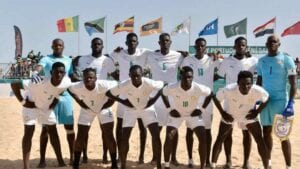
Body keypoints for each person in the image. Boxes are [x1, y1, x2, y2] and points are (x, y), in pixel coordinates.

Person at [11, 62, 72, 168]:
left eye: (61, 72)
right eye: (56, 72)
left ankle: (61, 161)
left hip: (46, 108)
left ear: (64, 73)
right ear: (51, 72)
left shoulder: (66, 82)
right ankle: (26, 166)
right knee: (29, 133)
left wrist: (54, 102)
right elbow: (14, 83)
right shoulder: (38, 81)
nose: (59, 74)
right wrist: (23, 102)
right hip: (31, 107)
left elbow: (60, 91)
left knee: (53, 132)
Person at [106, 65, 163, 169]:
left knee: (156, 135)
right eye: (133, 76)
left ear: (142, 75)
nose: (135, 78)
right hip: (131, 109)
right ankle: (123, 165)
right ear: (129, 75)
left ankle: (159, 165)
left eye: (138, 76)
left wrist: (153, 100)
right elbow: (108, 93)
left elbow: (162, 86)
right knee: (125, 137)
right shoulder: (125, 84)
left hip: (147, 108)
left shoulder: (148, 82)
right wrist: (123, 101)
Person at [211, 71, 269, 169]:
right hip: (230, 115)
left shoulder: (258, 90)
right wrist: (222, 113)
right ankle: (213, 165)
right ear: (238, 83)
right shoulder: (229, 89)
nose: (246, 86)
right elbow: (215, 98)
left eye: (248, 84)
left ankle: (266, 166)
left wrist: (257, 112)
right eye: (243, 84)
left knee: (259, 140)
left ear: (252, 83)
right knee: (220, 138)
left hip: (248, 116)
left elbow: (266, 99)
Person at [32, 38, 75, 167]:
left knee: (70, 128)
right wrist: (35, 72)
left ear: (63, 46)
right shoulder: (46, 59)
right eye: (55, 45)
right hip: (49, 96)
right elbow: (39, 67)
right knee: (46, 129)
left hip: (65, 95)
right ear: (52, 46)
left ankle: (72, 157)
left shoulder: (68, 60)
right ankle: (42, 160)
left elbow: (71, 76)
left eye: (60, 45)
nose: (58, 47)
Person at [72, 37, 116, 163]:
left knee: (106, 132)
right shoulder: (82, 59)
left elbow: (115, 77)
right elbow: (73, 72)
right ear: (91, 46)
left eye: (99, 44)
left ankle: (105, 155)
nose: (97, 45)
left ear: (102, 46)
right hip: (87, 99)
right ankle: (84, 156)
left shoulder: (108, 60)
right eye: (94, 44)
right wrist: (80, 99)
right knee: (83, 132)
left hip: (103, 99)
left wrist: (111, 99)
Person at [256, 35, 297, 169]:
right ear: (266, 44)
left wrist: (291, 103)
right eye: (269, 42)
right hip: (266, 102)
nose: (271, 44)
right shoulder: (261, 61)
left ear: (279, 44)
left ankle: (288, 166)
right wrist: (256, 100)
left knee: (283, 135)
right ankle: (268, 163)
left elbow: (293, 83)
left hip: (281, 102)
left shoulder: (287, 59)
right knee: (266, 132)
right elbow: (259, 82)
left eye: (274, 42)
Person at [217, 36, 257, 169]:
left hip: (247, 102)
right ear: (234, 47)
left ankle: (246, 162)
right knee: (228, 131)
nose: (241, 47)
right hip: (230, 100)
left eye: (243, 45)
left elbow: (259, 79)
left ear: (247, 47)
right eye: (238, 45)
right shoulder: (227, 61)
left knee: (247, 131)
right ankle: (228, 161)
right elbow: (219, 75)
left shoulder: (253, 61)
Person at [161, 66, 212, 169]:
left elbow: (210, 94)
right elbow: (163, 93)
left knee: (203, 137)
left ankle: (202, 166)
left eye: (190, 77)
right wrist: (170, 109)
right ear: (180, 77)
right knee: (169, 137)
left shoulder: (198, 87)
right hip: (177, 114)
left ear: (193, 77)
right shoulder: (173, 86)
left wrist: (201, 109)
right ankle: (166, 165)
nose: (188, 79)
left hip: (193, 115)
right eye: (185, 77)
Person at [180, 37, 221, 168]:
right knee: (190, 130)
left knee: (207, 131)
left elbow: (221, 69)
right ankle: (190, 159)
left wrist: (217, 56)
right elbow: (181, 72)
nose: (199, 48)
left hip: (207, 100)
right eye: (197, 46)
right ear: (194, 47)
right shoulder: (187, 60)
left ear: (206, 47)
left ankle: (207, 159)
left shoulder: (212, 60)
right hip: (191, 99)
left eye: (202, 46)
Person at [110, 33, 150, 164]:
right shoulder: (119, 53)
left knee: (142, 127)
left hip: (140, 94)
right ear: (126, 43)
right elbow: (106, 59)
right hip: (124, 94)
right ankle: (119, 155)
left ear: (137, 43)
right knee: (120, 126)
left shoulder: (144, 53)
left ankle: (141, 155)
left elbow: (160, 54)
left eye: (134, 41)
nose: (132, 43)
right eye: (130, 41)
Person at [145, 33, 184, 165]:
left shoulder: (178, 56)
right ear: (159, 43)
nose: (165, 43)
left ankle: (173, 157)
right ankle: (155, 157)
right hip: (156, 97)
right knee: (156, 129)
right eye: (162, 41)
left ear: (170, 42)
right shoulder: (151, 55)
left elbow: (192, 61)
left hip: (173, 96)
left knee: (173, 128)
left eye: (167, 41)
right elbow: (135, 56)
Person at [68, 68, 118, 169]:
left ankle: (114, 164)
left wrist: (111, 102)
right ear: (83, 78)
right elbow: (69, 89)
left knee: (109, 135)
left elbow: (118, 87)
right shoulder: (78, 86)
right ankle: (76, 164)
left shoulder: (104, 84)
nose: (89, 80)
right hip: (87, 109)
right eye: (86, 78)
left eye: (91, 77)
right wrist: (79, 102)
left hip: (103, 108)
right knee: (80, 136)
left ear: (96, 78)